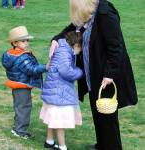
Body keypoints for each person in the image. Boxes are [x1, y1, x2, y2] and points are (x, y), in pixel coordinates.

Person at [49, 0, 138, 149]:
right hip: (93, 74)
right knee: (98, 112)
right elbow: (71, 28)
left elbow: (116, 47)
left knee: (107, 117)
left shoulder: (105, 14)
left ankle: (111, 147)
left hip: (106, 76)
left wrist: (109, 74)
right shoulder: (89, 12)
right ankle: (102, 145)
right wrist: (56, 40)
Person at [2, 26, 48, 139]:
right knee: (24, 107)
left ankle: (17, 127)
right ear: (14, 43)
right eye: (23, 41)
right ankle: (20, 131)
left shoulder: (10, 54)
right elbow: (31, 70)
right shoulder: (22, 57)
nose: (26, 43)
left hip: (16, 84)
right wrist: (45, 67)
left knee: (19, 106)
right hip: (22, 86)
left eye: (27, 40)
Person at [40, 31, 83, 150]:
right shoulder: (64, 52)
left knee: (53, 118)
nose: (80, 52)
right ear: (76, 45)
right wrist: (79, 72)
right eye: (81, 48)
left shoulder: (62, 49)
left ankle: (49, 141)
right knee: (60, 122)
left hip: (55, 90)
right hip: (59, 92)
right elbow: (66, 72)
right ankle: (62, 146)